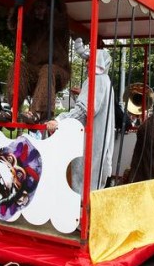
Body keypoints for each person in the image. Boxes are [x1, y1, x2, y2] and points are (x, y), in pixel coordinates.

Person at [45, 48, 115, 194]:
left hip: (90, 139)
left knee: (83, 180)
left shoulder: (96, 80)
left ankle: (79, 210)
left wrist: (60, 120)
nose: (87, 63)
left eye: (89, 60)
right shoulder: (105, 80)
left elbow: (84, 110)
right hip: (98, 138)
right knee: (93, 182)